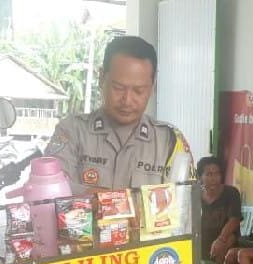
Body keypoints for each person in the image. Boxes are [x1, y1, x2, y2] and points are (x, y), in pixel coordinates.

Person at [44, 36, 194, 192]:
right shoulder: (72, 131)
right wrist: (110, 201)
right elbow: (50, 190)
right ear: (101, 78)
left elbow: (185, 199)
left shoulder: (169, 142)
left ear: (153, 86)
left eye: (138, 91)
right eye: (118, 88)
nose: (127, 100)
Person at [196, 156, 242, 264]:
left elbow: (234, 220)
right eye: (209, 174)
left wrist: (220, 239)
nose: (214, 178)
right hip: (202, 237)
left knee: (227, 240)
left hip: (225, 236)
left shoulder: (231, 193)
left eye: (217, 174)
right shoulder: (195, 194)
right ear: (200, 177)